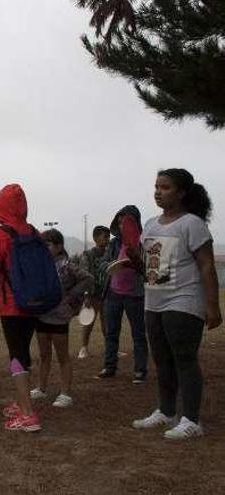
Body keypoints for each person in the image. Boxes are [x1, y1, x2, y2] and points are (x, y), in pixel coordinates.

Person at [132, 169, 221, 439]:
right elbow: (148, 267)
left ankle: (192, 420)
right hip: (154, 300)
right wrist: (130, 259)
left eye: (166, 187)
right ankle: (166, 411)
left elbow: (206, 265)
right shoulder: (149, 224)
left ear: (182, 192)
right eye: (156, 186)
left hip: (184, 298)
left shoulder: (192, 224)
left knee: (184, 358)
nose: (158, 191)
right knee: (161, 359)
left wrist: (213, 305)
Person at [0, 184, 42, 432]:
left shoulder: (0, 234)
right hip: (34, 304)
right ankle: (22, 402)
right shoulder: (33, 232)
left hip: (11, 306)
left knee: (15, 357)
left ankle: (28, 414)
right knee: (23, 352)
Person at [30, 229, 92, 408]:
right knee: (43, 355)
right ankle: (41, 388)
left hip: (58, 317)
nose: (44, 248)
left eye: (47, 244)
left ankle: (65, 393)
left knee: (62, 356)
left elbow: (88, 279)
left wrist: (71, 296)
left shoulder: (68, 265)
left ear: (59, 246)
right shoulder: (40, 265)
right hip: (41, 314)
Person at [96, 205, 148, 383]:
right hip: (114, 294)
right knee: (111, 332)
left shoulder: (144, 243)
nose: (121, 226)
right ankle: (109, 366)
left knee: (138, 334)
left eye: (125, 222)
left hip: (135, 294)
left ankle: (140, 370)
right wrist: (112, 265)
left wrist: (135, 264)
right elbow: (102, 263)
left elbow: (149, 269)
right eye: (118, 222)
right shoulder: (114, 243)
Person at [77, 225, 110, 359]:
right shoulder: (88, 255)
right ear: (95, 238)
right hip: (93, 294)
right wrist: (86, 295)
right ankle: (83, 348)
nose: (107, 239)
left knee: (107, 323)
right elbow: (84, 275)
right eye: (104, 237)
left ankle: (110, 348)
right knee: (88, 321)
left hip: (107, 293)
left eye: (108, 237)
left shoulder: (110, 254)